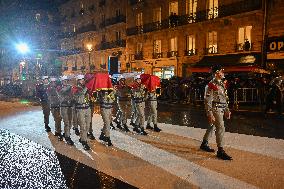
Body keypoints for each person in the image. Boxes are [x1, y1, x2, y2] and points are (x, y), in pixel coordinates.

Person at [200, 65, 232, 160]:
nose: (223, 73)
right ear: (216, 73)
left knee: (212, 126)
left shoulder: (221, 84)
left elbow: (224, 98)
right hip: (215, 108)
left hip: (221, 107)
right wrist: (209, 114)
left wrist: (227, 109)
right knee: (221, 127)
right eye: (222, 71)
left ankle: (204, 143)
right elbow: (207, 101)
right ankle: (220, 151)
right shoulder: (211, 85)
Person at [72, 75, 92, 150]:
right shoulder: (75, 88)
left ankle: (82, 137)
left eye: (83, 80)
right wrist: (87, 86)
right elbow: (81, 93)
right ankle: (84, 141)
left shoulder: (85, 88)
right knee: (83, 126)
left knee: (87, 125)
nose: (83, 81)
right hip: (80, 109)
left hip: (87, 107)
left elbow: (89, 94)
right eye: (81, 80)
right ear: (78, 81)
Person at [57, 75, 74, 146]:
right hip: (63, 107)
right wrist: (69, 97)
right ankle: (67, 137)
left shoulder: (70, 87)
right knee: (66, 122)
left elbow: (73, 95)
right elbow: (62, 97)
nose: (65, 82)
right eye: (64, 81)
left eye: (66, 81)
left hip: (70, 107)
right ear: (61, 82)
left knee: (70, 123)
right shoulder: (59, 88)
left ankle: (65, 133)